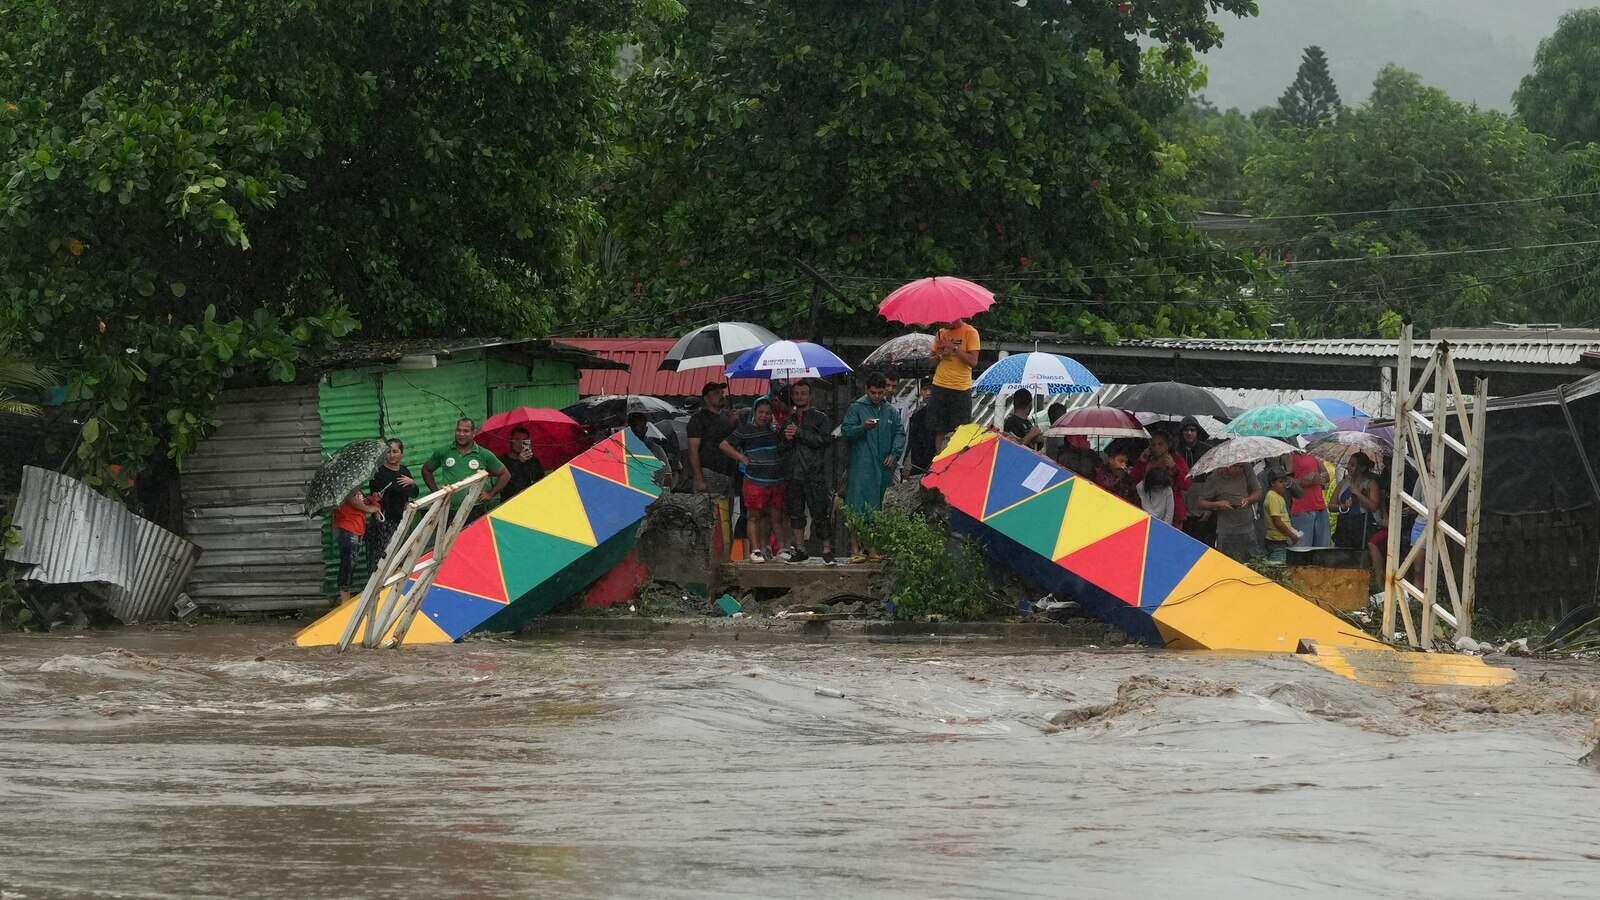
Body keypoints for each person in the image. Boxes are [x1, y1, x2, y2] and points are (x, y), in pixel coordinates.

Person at [842, 373, 907, 559]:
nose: (877, 396)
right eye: (873, 392)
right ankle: (854, 549)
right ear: (866, 390)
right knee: (857, 505)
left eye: (880, 393)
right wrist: (863, 427)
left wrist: (894, 454)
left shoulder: (890, 411)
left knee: (878, 508)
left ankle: (872, 547)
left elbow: (900, 433)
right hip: (862, 466)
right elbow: (846, 430)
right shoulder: (857, 407)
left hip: (884, 466)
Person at [720, 397, 788, 562]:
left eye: (767, 413)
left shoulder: (775, 431)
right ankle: (756, 549)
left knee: (773, 516)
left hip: (775, 480)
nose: (764, 416)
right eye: (761, 412)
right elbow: (724, 445)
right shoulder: (745, 430)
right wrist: (741, 457)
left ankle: (771, 548)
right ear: (754, 413)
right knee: (754, 515)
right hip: (754, 480)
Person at [777, 380, 836, 564]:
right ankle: (800, 548)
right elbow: (779, 449)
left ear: (810, 396)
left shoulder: (821, 418)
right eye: (796, 393)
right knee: (796, 513)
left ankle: (827, 549)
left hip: (814, 473)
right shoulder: (787, 420)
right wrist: (786, 439)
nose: (800, 397)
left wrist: (800, 433)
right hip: (793, 474)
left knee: (820, 512)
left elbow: (824, 440)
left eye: (803, 393)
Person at [422, 417, 511, 522]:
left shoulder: (484, 454)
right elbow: (426, 470)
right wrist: (437, 494)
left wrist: (490, 494)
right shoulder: (443, 451)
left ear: (474, 433)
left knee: (474, 538)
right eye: (458, 430)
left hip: (476, 509)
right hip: (449, 509)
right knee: (450, 539)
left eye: (466, 431)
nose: (461, 434)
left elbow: (505, 474)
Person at [930, 316, 980, 453]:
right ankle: (938, 459)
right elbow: (931, 362)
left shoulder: (970, 332)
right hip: (940, 385)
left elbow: (973, 361)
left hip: (961, 388)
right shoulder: (941, 333)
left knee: (960, 430)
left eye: (947, 319)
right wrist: (940, 354)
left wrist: (954, 349)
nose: (944, 322)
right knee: (939, 429)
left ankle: (956, 460)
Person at [1194, 462, 1263, 561]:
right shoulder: (1215, 477)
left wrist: (1249, 499)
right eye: (1235, 467)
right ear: (1227, 465)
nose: (1239, 469)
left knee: (1252, 561)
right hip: (1226, 529)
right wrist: (1218, 504)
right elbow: (1201, 503)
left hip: (1247, 527)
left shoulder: (1247, 468)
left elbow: (1258, 492)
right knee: (1226, 561)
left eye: (1241, 467)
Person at [368, 438, 418, 563]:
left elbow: (414, 493)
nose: (391, 455)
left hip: (403, 519)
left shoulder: (404, 471)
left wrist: (412, 483)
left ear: (401, 453)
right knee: (384, 558)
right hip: (385, 521)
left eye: (395, 451)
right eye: (388, 452)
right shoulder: (378, 473)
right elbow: (374, 497)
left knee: (404, 555)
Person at [687, 381, 738, 493]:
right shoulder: (698, 419)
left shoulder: (727, 416)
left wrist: (734, 423)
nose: (721, 395)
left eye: (722, 392)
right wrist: (698, 478)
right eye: (716, 393)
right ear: (706, 398)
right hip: (708, 472)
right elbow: (693, 450)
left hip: (728, 472)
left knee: (725, 509)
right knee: (710, 509)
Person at [1131, 431, 1191, 526]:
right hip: (1148, 509)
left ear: (1168, 445)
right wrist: (1141, 462)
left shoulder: (1176, 460)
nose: (1156, 448)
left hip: (1173, 512)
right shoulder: (1147, 460)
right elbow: (1134, 480)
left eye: (1160, 444)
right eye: (1153, 445)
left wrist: (1174, 467)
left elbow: (1186, 484)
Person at [333, 488, 381, 604]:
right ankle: (344, 601)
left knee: (351, 564)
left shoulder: (354, 487)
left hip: (357, 528)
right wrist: (371, 509)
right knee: (348, 564)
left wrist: (371, 499)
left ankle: (346, 598)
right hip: (348, 529)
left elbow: (359, 501)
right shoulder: (345, 487)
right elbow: (354, 502)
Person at [1289, 450, 1332, 547]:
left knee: (1322, 549)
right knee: (1302, 550)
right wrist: (1303, 482)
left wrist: (1321, 478)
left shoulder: (1313, 453)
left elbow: (1327, 476)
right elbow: (1286, 480)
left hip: (1320, 508)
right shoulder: (1291, 454)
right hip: (1302, 509)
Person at [1263, 467, 1303, 563]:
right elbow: (1277, 521)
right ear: (1272, 483)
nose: (1284, 485)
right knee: (1278, 567)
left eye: (1285, 481)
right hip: (1277, 541)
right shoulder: (1273, 497)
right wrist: (1292, 535)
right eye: (1281, 482)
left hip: (1281, 539)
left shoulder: (1277, 496)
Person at [498, 426, 546, 501]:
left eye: (524, 440)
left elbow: (541, 480)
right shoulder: (503, 460)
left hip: (532, 500)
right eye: (517, 439)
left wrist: (530, 463)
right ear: (511, 440)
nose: (520, 443)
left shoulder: (533, 460)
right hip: (509, 501)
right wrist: (519, 462)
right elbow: (505, 483)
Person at [905, 382, 937, 474]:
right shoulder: (916, 416)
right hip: (919, 466)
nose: (928, 393)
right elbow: (912, 442)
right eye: (925, 389)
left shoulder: (943, 414)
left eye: (931, 389)